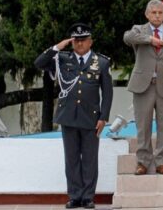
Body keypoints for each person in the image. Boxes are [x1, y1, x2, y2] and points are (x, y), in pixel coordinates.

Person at [34, 23, 113, 209]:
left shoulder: (101, 62)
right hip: (68, 116)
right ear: (71, 41)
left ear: (90, 41)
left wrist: (104, 117)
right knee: (71, 158)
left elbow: (107, 92)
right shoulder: (62, 59)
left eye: (83, 40)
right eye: (76, 40)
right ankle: (75, 195)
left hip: (91, 118)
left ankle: (88, 197)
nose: (79, 43)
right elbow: (39, 63)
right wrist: (57, 47)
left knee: (90, 159)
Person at [124, 0, 163, 175]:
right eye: (154, 12)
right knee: (143, 125)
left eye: (160, 13)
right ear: (147, 14)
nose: (157, 15)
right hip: (143, 86)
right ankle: (142, 161)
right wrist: (151, 40)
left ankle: (161, 161)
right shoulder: (138, 30)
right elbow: (127, 38)